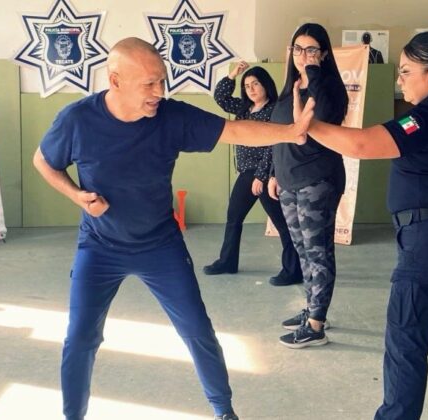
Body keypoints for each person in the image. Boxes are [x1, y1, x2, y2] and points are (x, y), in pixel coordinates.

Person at [33, 37, 313, 420]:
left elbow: (233, 131)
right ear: (115, 81)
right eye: (148, 84)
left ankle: (224, 411)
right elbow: (43, 161)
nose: (159, 92)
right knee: (80, 337)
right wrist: (77, 195)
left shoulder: (171, 117)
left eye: (162, 81)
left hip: (160, 246)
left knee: (197, 331)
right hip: (99, 247)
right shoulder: (77, 120)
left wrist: (290, 132)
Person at [296, 31, 428, 419]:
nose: (400, 79)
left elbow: (361, 145)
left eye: (406, 71)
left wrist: (306, 127)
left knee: (406, 342)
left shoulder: (427, 117)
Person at [269, 23, 349, 349]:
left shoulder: (329, 88)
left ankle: (316, 325)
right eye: (298, 49)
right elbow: (280, 134)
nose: (304, 56)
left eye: (312, 49)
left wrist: (313, 72)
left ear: (324, 54)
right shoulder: (290, 87)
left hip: (318, 180)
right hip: (288, 180)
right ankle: (312, 308)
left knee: (318, 252)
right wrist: (273, 173)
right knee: (302, 252)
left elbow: (320, 120)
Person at [202, 61, 302, 286]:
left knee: (282, 222)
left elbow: (274, 144)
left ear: (266, 85)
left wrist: (261, 175)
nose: (251, 89)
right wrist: (233, 74)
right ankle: (227, 262)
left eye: (255, 84)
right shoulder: (243, 109)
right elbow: (220, 97)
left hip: (265, 174)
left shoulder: (275, 110)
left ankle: (294, 269)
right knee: (234, 217)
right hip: (246, 172)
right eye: (247, 86)